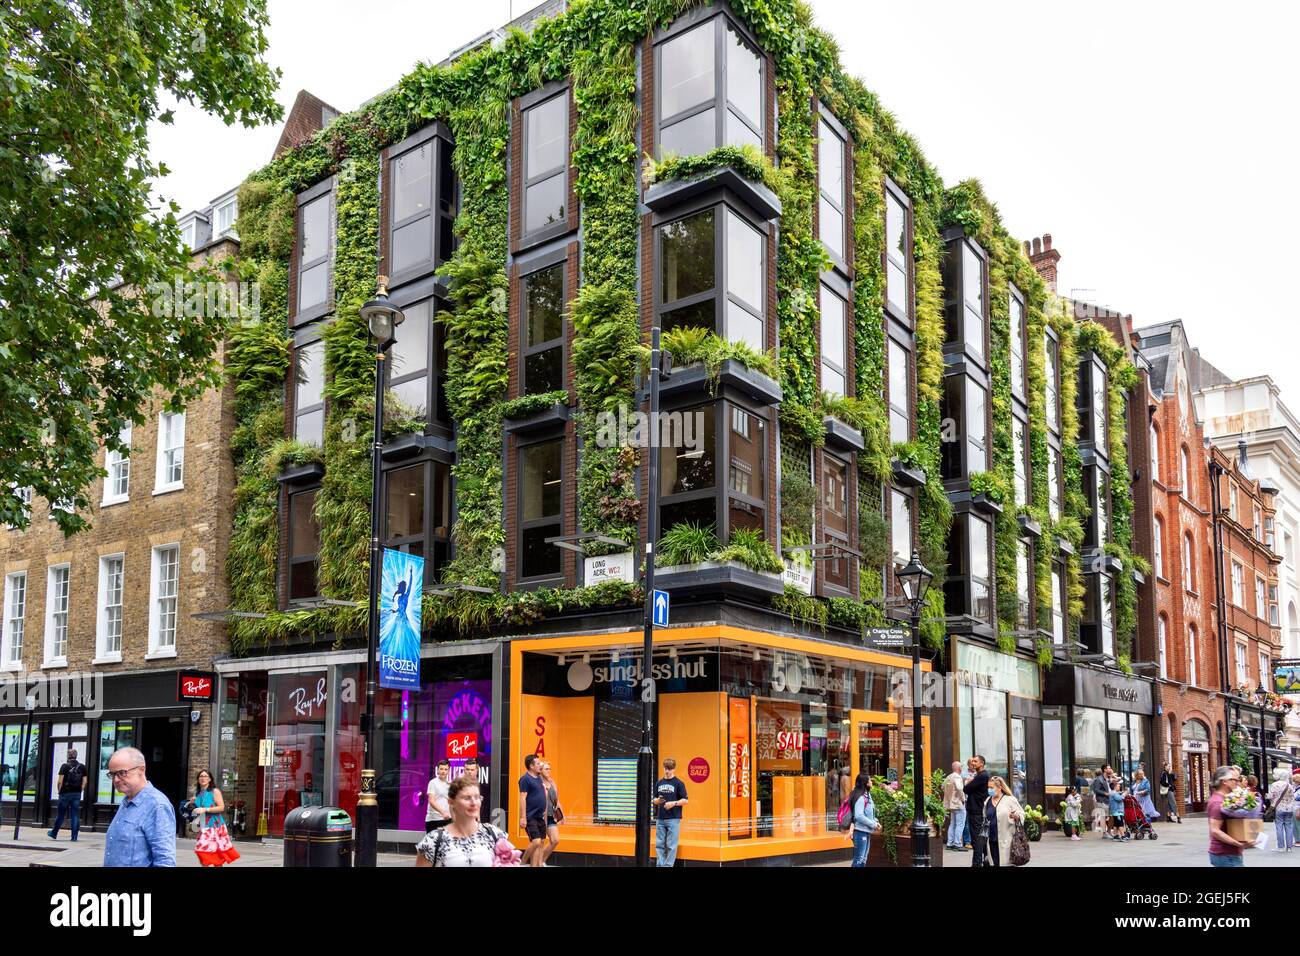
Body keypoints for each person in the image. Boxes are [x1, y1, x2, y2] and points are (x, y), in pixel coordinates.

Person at [103, 747, 176, 867]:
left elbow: (165, 861)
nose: (116, 779)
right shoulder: (127, 801)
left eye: (122, 773)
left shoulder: (157, 806)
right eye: (112, 774)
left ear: (141, 770)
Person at [414, 776, 509, 867]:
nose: (474, 802)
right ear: (451, 802)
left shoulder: (495, 835)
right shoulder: (433, 841)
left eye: (477, 797)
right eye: (467, 798)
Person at [192, 769, 240, 866]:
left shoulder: (215, 791)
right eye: (201, 776)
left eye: (205, 776)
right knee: (203, 853)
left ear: (210, 779)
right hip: (203, 826)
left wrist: (206, 809)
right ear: (198, 779)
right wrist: (192, 803)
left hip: (215, 826)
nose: (203, 778)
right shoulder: (198, 793)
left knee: (214, 853)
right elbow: (197, 808)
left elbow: (221, 807)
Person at [1207, 765, 1247, 867]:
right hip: (1225, 854)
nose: (1238, 782)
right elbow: (1215, 830)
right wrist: (1238, 843)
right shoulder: (1217, 802)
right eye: (1234, 780)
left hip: (1230, 854)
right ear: (1224, 781)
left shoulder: (1227, 799)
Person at [654, 757, 689, 867]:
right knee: (659, 845)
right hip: (660, 818)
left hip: (673, 819)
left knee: (671, 846)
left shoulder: (679, 783)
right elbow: (654, 799)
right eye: (665, 768)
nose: (667, 771)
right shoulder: (659, 783)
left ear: (674, 769)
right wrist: (657, 801)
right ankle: (660, 865)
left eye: (669, 769)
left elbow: (685, 800)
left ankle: (668, 866)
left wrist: (673, 803)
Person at [47, 747, 87, 842]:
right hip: (76, 794)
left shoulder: (64, 766)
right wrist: (79, 790)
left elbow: (60, 781)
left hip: (65, 793)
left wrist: (59, 791)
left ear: (68, 756)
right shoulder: (82, 767)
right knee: (75, 815)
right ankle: (74, 837)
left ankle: (54, 833)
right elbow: (85, 782)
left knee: (60, 815)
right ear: (76, 756)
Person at [983, 775, 1023, 866]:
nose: (989, 790)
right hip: (991, 839)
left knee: (1005, 863)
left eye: (991, 787)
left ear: (1000, 787)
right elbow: (985, 817)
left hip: (1006, 840)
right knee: (994, 863)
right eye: (988, 787)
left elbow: (1021, 814)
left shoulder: (1009, 800)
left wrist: (1016, 816)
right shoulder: (988, 800)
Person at [518, 753, 547, 867]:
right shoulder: (525, 779)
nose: (540, 765)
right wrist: (523, 817)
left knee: (540, 844)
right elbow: (522, 798)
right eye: (538, 763)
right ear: (531, 766)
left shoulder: (539, 778)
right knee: (536, 842)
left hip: (540, 816)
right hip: (531, 817)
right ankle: (521, 863)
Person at [847, 772, 881, 867]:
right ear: (866, 783)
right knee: (859, 859)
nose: (871, 781)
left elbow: (869, 814)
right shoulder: (861, 797)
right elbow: (859, 816)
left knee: (863, 859)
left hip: (865, 831)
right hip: (860, 832)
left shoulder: (867, 795)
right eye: (869, 780)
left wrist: (875, 822)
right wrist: (873, 824)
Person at [963, 755, 990, 866]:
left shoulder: (982, 776)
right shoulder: (980, 775)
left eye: (975, 761)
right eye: (972, 761)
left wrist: (968, 783)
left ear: (982, 763)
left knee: (977, 839)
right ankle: (986, 861)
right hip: (978, 811)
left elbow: (966, 789)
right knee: (981, 839)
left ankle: (977, 863)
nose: (973, 763)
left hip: (976, 812)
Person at [1266, 767, 1296, 853]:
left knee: (1279, 827)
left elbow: (1270, 796)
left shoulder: (1275, 784)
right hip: (1289, 809)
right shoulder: (1289, 785)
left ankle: (1281, 847)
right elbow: (1292, 797)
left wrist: (1266, 796)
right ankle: (1289, 847)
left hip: (1279, 808)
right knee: (1289, 827)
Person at [540, 760, 561, 865]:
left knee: (555, 840)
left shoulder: (552, 782)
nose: (548, 771)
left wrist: (561, 815)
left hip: (551, 815)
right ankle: (538, 861)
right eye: (546, 769)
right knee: (541, 841)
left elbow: (557, 800)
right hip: (541, 816)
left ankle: (542, 860)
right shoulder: (539, 782)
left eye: (549, 768)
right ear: (541, 770)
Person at [942, 761, 967, 851]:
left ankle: (950, 843)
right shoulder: (957, 777)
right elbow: (960, 788)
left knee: (952, 824)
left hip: (950, 804)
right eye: (961, 767)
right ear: (959, 768)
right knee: (960, 824)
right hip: (958, 804)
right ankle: (957, 844)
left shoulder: (949, 776)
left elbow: (942, 786)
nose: (962, 768)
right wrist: (963, 799)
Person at [425, 759, 451, 833]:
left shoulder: (449, 784)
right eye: (441, 769)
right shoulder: (433, 783)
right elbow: (431, 801)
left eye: (446, 769)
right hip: (434, 820)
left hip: (447, 819)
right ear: (438, 770)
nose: (443, 771)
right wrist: (443, 812)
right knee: (433, 844)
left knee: (447, 843)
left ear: (449, 771)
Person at [1090, 766, 1113, 833]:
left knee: (1110, 816)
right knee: (1103, 817)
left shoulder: (1108, 778)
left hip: (1108, 800)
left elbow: (1110, 788)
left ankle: (1108, 831)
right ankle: (1105, 833)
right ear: (1105, 770)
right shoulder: (1099, 779)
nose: (1110, 769)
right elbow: (1096, 790)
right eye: (1109, 768)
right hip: (1102, 800)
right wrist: (1105, 793)